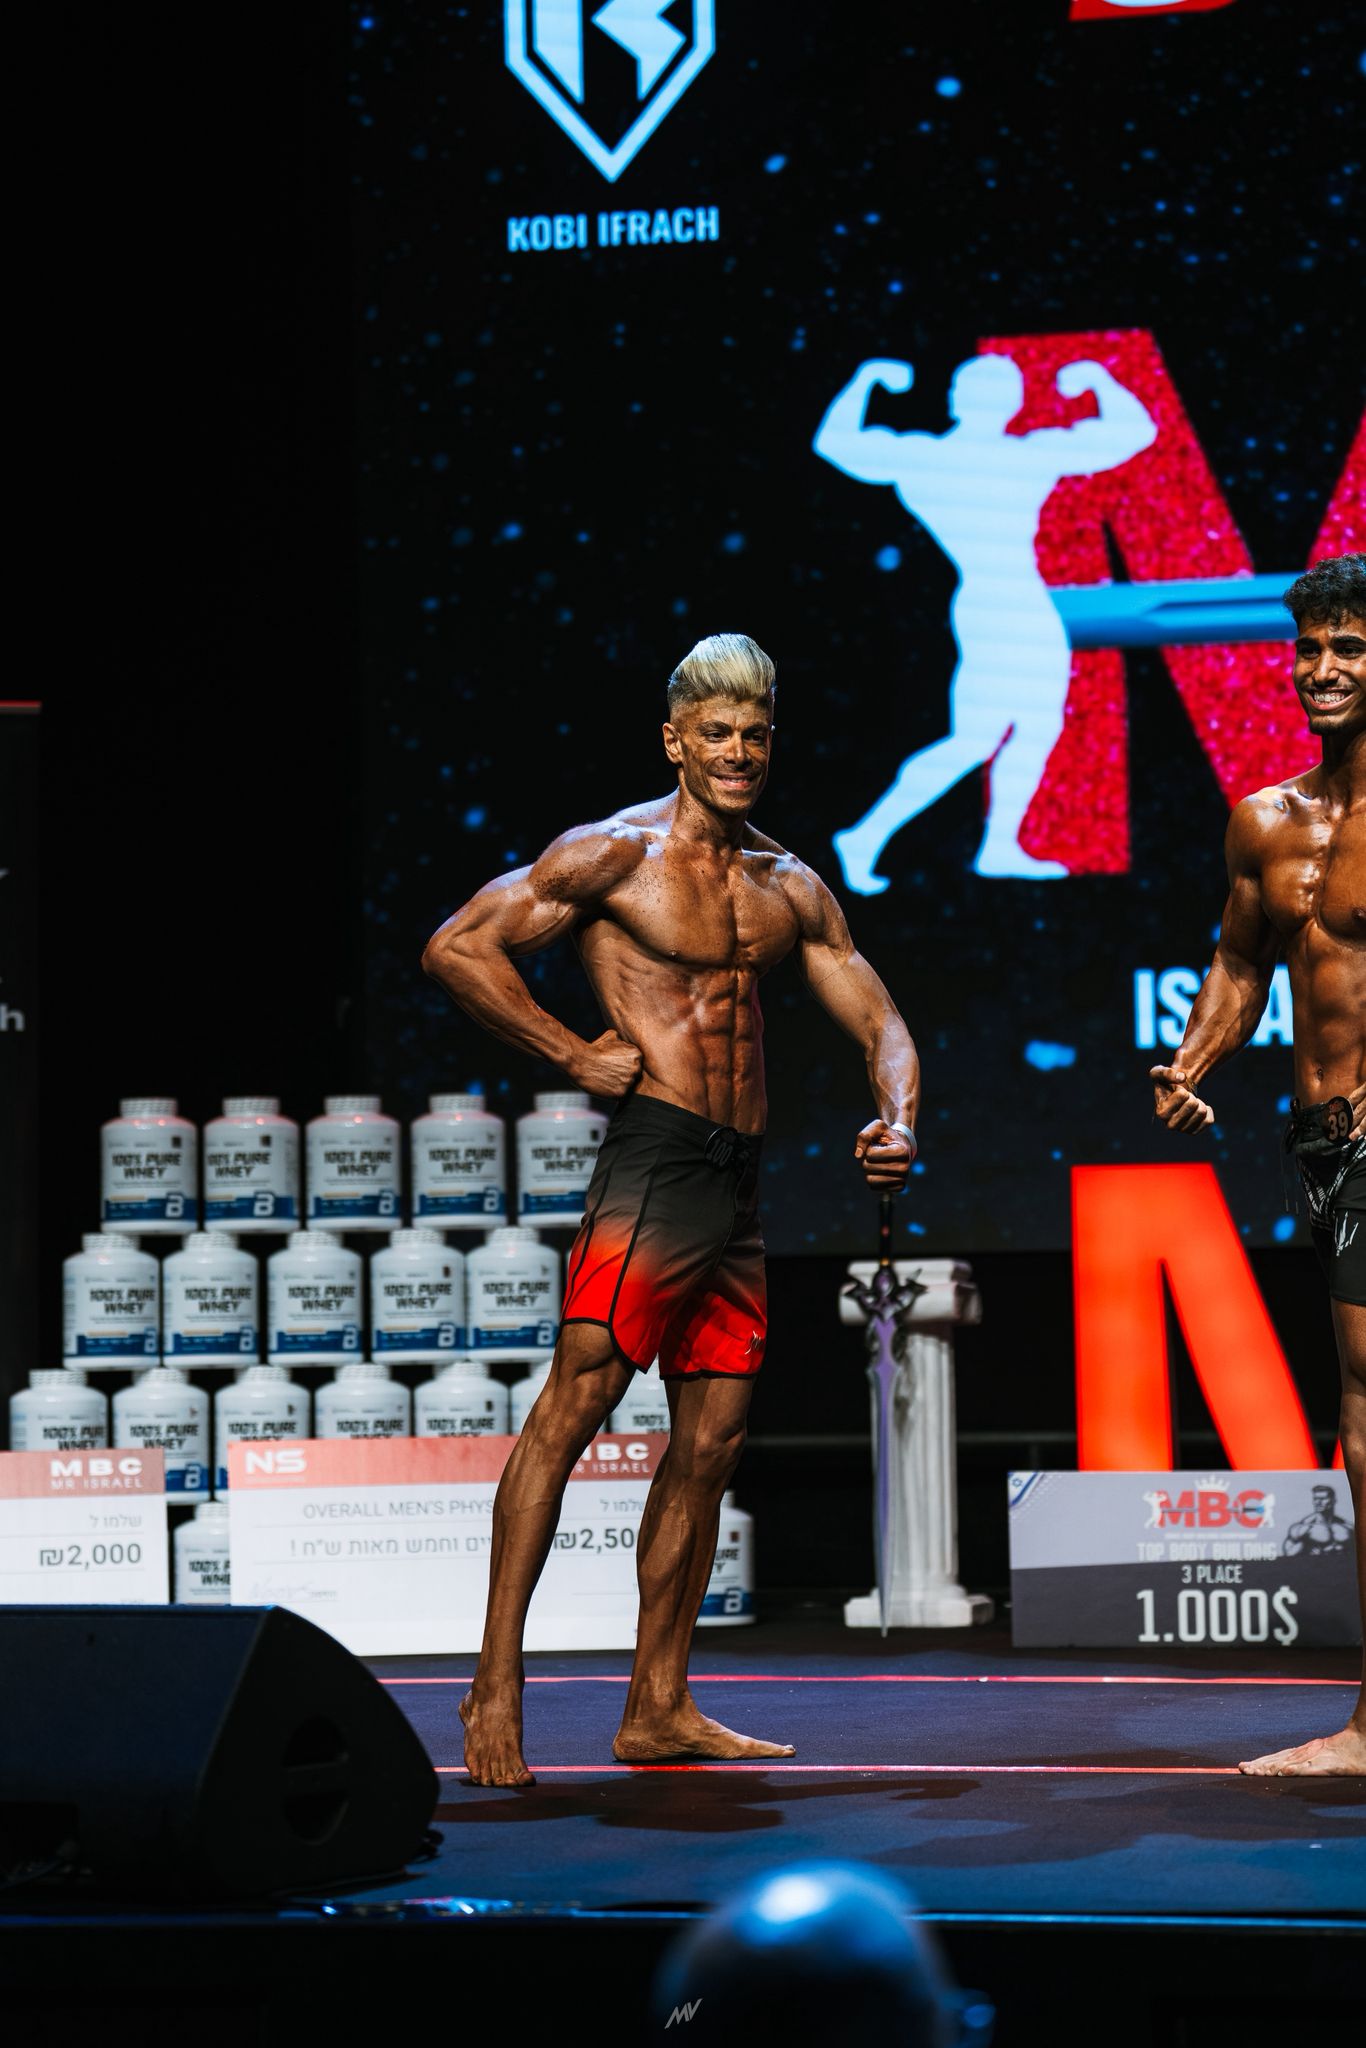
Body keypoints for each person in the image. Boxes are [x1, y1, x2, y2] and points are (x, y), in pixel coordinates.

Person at [422, 633, 919, 1786]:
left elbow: (880, 1019)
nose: (738, 751)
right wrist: (567, 1052)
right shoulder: (611, 853)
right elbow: (458, 948)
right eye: (717, 732)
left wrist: (897, 1119)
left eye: (755, 733)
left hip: (735, 1182)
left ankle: (658, 1703)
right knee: (576, 1405)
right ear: (674, 741)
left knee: (710, 1441)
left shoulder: (788, 883)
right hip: (655, 1162)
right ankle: (494, 1682)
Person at [1152, 551, 1365, 1776]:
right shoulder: (1266, 820)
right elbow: (1239, 963)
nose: (1320, 669)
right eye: (1309, 647)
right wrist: (1193, 1058)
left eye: (1348, 647)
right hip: (1321, 1149)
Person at [814, 352, 1156, 887]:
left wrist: (869, 382)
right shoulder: (999, 455)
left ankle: (994, 845)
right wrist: (1096, 381)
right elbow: (1133, 431)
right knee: (976, 740)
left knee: (1031, 728)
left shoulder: (943, 456)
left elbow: (837, 441)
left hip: (1009, 604)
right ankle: (867, 836)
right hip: (1002, 606)